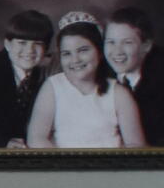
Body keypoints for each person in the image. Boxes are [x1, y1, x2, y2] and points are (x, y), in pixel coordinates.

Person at [26, 16, 147, 149]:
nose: (75, 60)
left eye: (83, 50)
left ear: (100, 52)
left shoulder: (118, 93)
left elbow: (136, 144)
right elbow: (36, 137)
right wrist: (67, 165)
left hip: (108, 166)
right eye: (66, 53)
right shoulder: (52, 87)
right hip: (63, 165)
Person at [0, 7, 53, 148]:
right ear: (7, 44)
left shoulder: (40, 74)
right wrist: (2, 143)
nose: (30, 50)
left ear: (46, 49)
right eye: (22, 42)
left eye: (38, 44)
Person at [106, 5, 153, 113]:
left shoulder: (158, 83)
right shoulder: (100, 76)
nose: (117, 51)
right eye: (111, 42)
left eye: (127, 42)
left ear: (146, 46)